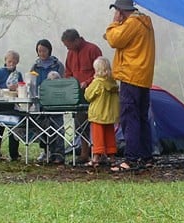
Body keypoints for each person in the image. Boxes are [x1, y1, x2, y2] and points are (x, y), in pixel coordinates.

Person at [104, 0, 155, 172]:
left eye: (117, 11)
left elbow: (114, 40)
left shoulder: (132, 23)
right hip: (143, 76)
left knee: (129, 117)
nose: (117, 15)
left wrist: (113, 23)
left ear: (121, 10)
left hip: (130, 75)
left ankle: (131, 159)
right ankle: (146, 156)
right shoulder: (146, 22)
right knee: (141, 117)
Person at [61, 28, 103, 164]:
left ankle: (99, 153)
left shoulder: (93, 49)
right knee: (80, 124)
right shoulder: (70, 54)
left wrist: (87, 82)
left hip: (94, 93)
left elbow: (100, 72)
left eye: (69, 45)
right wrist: (69, 84)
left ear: (77, 40)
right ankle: (84, 153)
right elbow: (68, 72)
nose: (68, 48)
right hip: (77, 95)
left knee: (97, 123)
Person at [30, 39, 66, 164]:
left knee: (58, 126)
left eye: (44, 50)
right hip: (41, 100)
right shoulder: (35, 66)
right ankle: (46, 151)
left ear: (49, 50)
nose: (42, 53)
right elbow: (33, 83)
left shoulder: (57, 65)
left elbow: (62, 82)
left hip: (56, 101)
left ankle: (59, 153)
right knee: (43, 127)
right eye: (39, 51)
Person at [84, 56, 120, 167]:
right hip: (110, 115)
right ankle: (112, 156)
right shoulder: (113, 83)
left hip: (98, 114)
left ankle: (96, 157)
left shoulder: (97, 83)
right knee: (110, 135)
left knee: (97, 136)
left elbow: (88, 96)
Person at [0, 50, 23, 162]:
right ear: (5, 61)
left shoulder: (18, 74)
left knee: (14, 130)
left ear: (17, 62)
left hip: (12, 105)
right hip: (0, 104)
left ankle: (14, 154)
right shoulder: (0, 72)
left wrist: (17, 88)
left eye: (14, 62)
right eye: (9, 61)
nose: (11, 64)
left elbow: (22, 87)